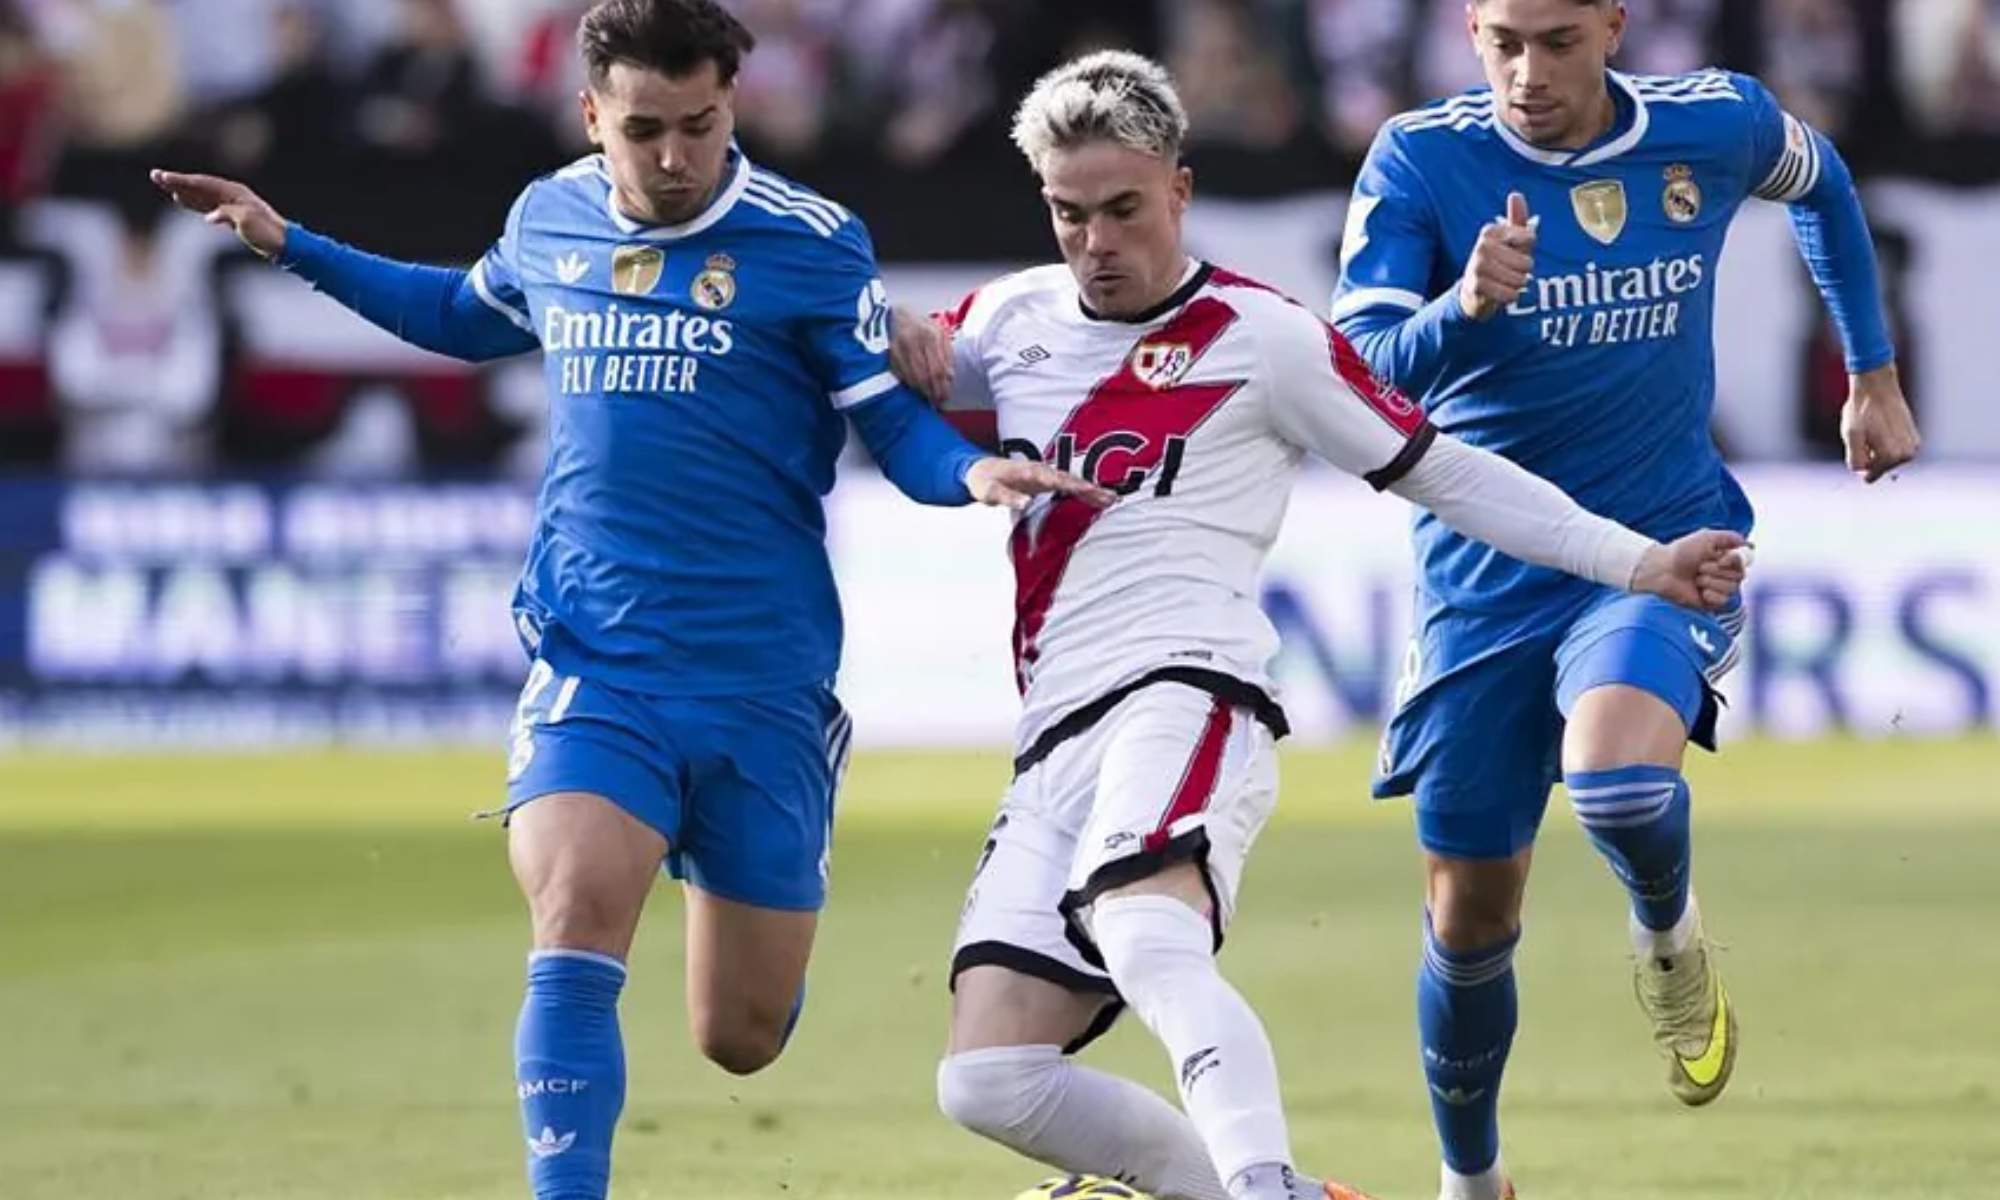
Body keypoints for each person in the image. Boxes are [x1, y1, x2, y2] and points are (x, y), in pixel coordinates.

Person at [153, 3, 1106, 1199]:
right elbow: (459, 314)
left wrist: (966, 471)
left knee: (740, 1034)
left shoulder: (809, 242)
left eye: (698, 126)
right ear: (589, 113)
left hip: (763, 678)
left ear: (730, 109)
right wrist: (291, 241)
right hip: (597, 657)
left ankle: (731, 853)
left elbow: (890, 426)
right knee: (573, 910)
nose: (671, 157)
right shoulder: (548, 215)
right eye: (642, 128)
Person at [888, 49, 1746, 1200]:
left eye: (1122, 209)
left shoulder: (1264, 338)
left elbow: (1447, 474)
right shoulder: (1006, 320)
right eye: (1067, 213)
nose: (1094, 242)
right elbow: (887, 399)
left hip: (1185, 694)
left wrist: (1636, 561)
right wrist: (882, 337)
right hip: (1053, 739)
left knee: (1148, 940)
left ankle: (1261, 1183)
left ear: (1179, 191)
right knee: (987, 1079)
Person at [1327, 3, 1922, 1197]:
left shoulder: (1711, 124)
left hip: (1662, 546)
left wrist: (1870, 374)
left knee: (1618, 779)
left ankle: (1667, 939)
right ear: (1467, 28)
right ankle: (1472, 1181)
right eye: (1500, 40)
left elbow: (1823, 185)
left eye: (1555, 40)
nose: (1524, 73)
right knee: (1469, 922)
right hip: (1482, 581)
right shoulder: (1418, 157)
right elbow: (1352, 371)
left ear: (1611, 25)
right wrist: (1463, 310)